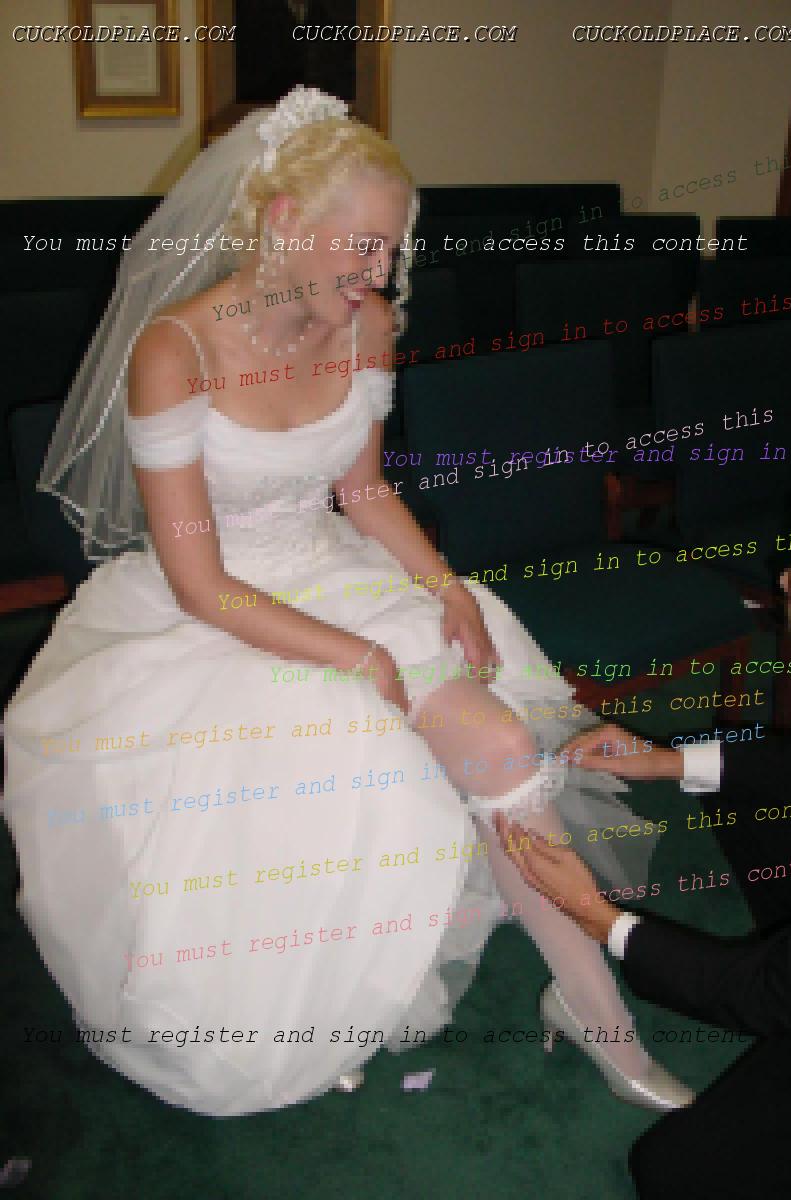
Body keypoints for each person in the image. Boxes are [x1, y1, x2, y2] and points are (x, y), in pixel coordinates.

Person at [1, 87, 690, 1117]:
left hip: (337, 570)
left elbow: (362, 492)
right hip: (215, 608)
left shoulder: (366, 324)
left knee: (503, 750)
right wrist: (358, 658)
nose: (380, 272)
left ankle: (596, 1010)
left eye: (392, 249)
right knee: (318, 792)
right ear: (284, 221)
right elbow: (199, 582)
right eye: (363, 246)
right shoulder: (175, 351)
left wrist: (444, 588)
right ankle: (319, 1005)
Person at [497, 487, 791, 1197]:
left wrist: (599, 916)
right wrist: (665, 761)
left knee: (674, 1173)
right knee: (736, 793)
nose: (782, 579)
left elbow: (777, 989)